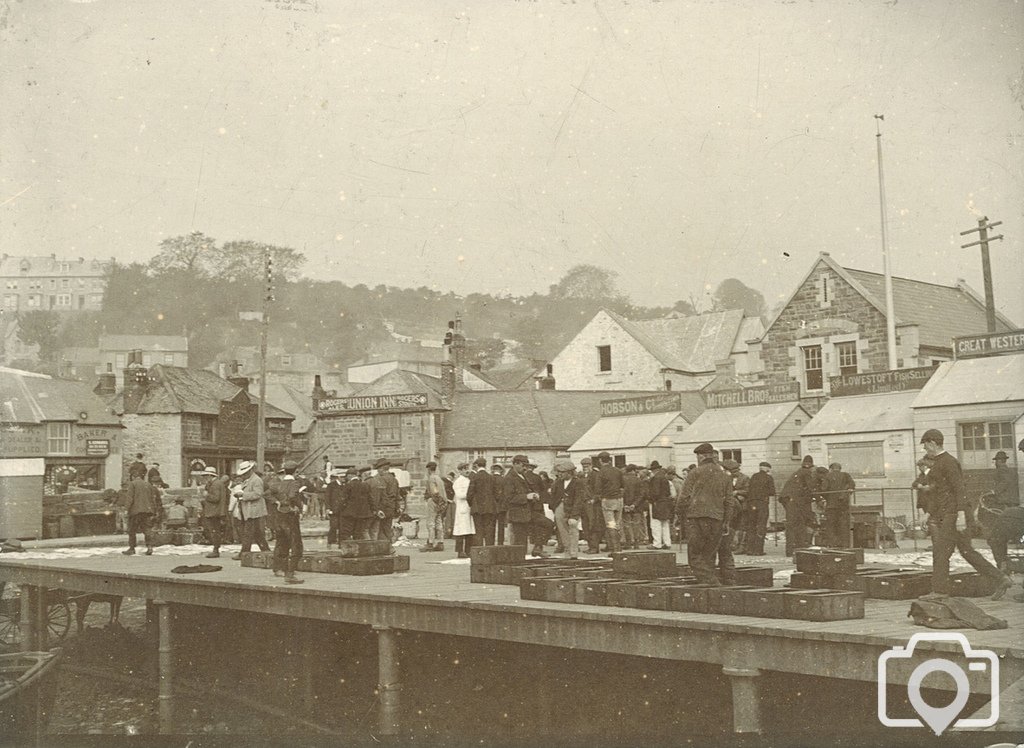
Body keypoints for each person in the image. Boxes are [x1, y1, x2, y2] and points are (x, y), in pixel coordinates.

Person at [919, 429, 1012, 600]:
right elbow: (938, 493)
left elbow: (959, 489)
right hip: (950, 513)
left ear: (933, 443)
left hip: (954, 515)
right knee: (967, 551)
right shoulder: (937, 463)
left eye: (925, 444)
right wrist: (928, 513)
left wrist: (961, 516)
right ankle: (1001, 578)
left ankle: (939, 591)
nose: (924, 448)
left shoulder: (949, 462)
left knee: (941, 551)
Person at [677, 443, 732, 586]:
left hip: (697, 518)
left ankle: (713, 585)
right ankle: (712, 594)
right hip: (717, 519)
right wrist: (726, 522)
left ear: (701, 456)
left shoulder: (695, 473)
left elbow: (684, 497)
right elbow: (729, 502)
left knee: (695, 556)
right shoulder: (724, 475)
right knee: (709, 556)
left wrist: (679, 515)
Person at [503, 454, 554, 557]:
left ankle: (538, 548)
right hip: (518, 514)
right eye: (523, 465)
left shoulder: (523, 475)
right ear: (515, 464)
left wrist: (534, 495)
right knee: (521, 542)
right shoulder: (509, 478)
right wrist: (526, 497)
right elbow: (508, 498)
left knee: (548, 524)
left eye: (526, 465)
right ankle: (520, 564)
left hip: (529, 511)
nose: (525, 468)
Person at [269, 461, 308, 583]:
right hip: (290, 517)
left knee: (281, 543)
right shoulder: (294, 483)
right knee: (296, 545)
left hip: (280, 515)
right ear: (296, 471)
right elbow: (292, 496)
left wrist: (277, 502)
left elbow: (266, 494)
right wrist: (297, 506)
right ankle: (290, 573)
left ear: (284, 471)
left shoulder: (278, 484)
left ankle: (280, 568)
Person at [548, 459, 586, 558]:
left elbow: (579, 500)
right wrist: (554, 507)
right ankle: (567, 551)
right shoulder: (558, 483)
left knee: (573, 530)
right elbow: (553, 496)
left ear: (569, 472)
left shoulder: (578, 483)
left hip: (572, 509)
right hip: (559, 508)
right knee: (562, 531)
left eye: (562, 472)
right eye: (559, 472)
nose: (559, 474)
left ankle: (573, 553)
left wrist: (574, 515)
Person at [232, 460, 269, 560]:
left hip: (254, 511)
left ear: (250, 471)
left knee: (248, 533)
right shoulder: (249, 480)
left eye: (245, 473)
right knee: (257, 533)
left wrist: (243, 495)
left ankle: (244, 553)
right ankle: (266, 550)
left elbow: (258, 494)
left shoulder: (256, 480)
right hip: (250, 510)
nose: (243, 476)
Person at [121, 467, 158, 555]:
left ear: (133, 476)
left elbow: (130, 498)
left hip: (135, 511)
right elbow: (153, 499)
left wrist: (126, 509)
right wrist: (153, 511)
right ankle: (149, 547)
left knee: (132, 530)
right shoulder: (148, 485)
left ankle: (132, 548)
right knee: (147, 529)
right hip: (147, 511)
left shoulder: (132, 484)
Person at [593, 451, 625, 554]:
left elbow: (597, 488)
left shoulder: (601, 472)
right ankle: (617, 547)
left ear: (600, 461)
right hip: (619, 499)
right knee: (618, 523)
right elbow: (623, 485)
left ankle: (615, 549)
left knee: (611, 524)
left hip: (608, 500)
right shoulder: (618, 471)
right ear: (610, 460)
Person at [742, 462, 775, 555]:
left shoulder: (753, 476)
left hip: (751, 503)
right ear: (767, 469)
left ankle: (749, 549)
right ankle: (758, 550)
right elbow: (772, 492)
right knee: (761, 525)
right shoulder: (769, 478)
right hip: (762, 503)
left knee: (751, 526)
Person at [820, 462, 855, 548]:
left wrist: (826, 498)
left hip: (831, 506)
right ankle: (845, 545)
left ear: (831, 469)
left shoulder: (827, 476)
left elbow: (824, 489)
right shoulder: (846, 475)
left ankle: (832, 545)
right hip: (843, 505)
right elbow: (852, 485)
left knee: (831, 525)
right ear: (840, 468)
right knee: (843, 525)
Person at [468, 457, 499, 547]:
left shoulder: (474, 477)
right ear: (485, 465)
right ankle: (490, 552)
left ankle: (480, 553)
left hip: (477, 508)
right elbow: (497, 494)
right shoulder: (491, 477)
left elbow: (469, 494)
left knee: (479, 531)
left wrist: (472, 504)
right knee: (489, 531)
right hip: (490, 508)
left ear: (476, 465)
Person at [200, 466, 229, 558]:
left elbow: (216, 498)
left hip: (213, 511)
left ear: (209, 475)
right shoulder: (217, 483)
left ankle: (215, 550)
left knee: (214, 530)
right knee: (215, 530)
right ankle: (216, 548)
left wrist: (207, 495)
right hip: (215, 511)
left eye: (206, 476)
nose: (205, 478)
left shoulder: (216, 484)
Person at [341, 467, 374, 540]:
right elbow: (370, 499)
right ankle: (358, 549)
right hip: (363, 514)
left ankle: (349, 549)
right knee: (358, 533)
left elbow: (343, 500)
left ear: (350, 476)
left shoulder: (348, 486)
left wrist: (341, 510)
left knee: (347, 532)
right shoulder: (365, 485)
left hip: (350, 513)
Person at [423, 462, 449, 552]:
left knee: (431, 522)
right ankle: (440, 542)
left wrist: (433, 499)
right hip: (442, 502)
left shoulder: (432, 478)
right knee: (439, 522)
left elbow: (434, 491)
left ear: (429, 469)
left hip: (434, 501)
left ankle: (430, 543)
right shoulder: (439, 478)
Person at [647, 461, 673, 550]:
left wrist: (650, 498)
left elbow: (655, 492)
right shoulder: (665, 478)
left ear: (654, 470)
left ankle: (657, 543)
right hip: (665, 502)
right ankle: (667, 542)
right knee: (665, 523)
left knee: (655, 524)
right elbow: (668, 492)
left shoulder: (656, 478)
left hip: (657, 503)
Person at [452, 463, 475, 558]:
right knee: (460, 531)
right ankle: (460, 551)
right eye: (465, 469)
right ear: (460, 471)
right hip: (462, 508)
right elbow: (459, 495)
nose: (467, 471)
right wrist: (470, 494)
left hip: (469, 507)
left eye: (467, 468)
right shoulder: (458, 482)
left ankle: (468, 550)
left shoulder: (469, 480)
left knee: (469, 531)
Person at [621, 465, 646, 550]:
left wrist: (624, 504)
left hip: (625, 506)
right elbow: (642, 494)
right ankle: (636, 542)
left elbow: (621, 493)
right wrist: (634, 504)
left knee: (626, 524)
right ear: (633, 470)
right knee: (636, 524)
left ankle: (628, 542)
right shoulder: (638, 480)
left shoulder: (622, 480)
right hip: (637, 507)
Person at [325, 468, 345, 546]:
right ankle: (330, 541)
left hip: (343, 510)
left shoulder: (345, 485)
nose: (343, 479)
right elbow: (327, 497)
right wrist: (328, 508)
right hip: (334, 509)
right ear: (338, 477)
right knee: (333, 526)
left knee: (342, 527)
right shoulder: (331, 486)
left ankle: (341, 543)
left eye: (344, 477)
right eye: (342, 477)